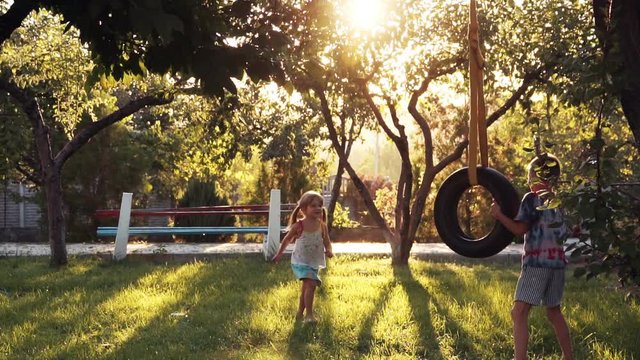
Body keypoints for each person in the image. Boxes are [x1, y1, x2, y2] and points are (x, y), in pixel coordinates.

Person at [490, 154, 573, 360]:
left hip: (537, 263)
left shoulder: (532, 199)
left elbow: (520, 229)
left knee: (518, 313)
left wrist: (499, 215)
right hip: (557, 264)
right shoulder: (559, 202)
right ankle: (569, 357)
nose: (528, 180)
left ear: (537, 176)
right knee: (554, 312)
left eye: (529, 175)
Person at [272, 190, 333, 323]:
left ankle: (300, 312)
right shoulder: (298, 226)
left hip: (314, 262)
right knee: (311, 285)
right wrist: (279, 254)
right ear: (304, 209)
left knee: (307, 288)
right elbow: (287, 240)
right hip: (300, 261)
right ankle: (309, 316)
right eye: (313, 205)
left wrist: (329, 250)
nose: (318, 208)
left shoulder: (322, 225)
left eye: (319, 205)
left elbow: (327, 241)